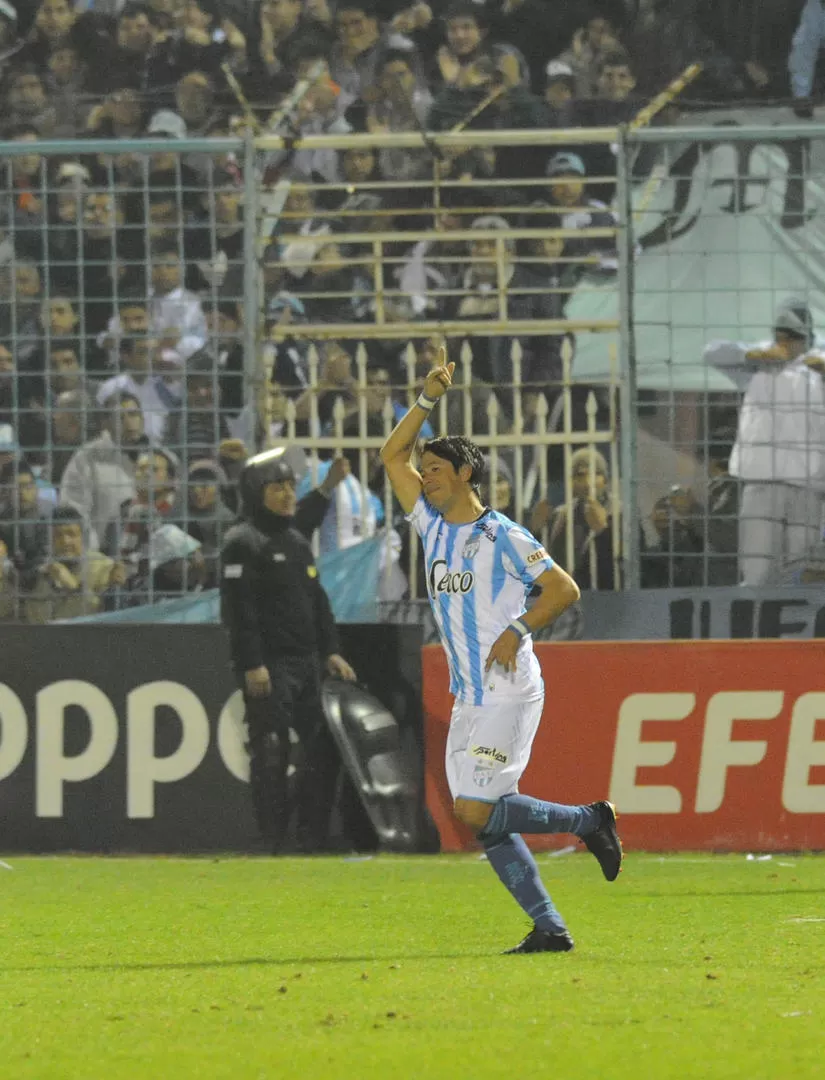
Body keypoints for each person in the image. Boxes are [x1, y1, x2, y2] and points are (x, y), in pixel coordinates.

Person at [379, 346, 623, 954]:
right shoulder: (431, 528)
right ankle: (550, 927)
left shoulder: (504, 535)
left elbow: (562, 589)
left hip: (510, 689)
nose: (425, 476)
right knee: (485, 820)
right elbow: (390, 454)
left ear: (464, 473)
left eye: (435, 469)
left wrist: (518, 628)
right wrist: (428, 398)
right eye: (426, 470)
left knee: (473, 810)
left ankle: (588, 821)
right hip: (469, 694)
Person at [220, 447, 358, 853]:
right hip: (270, 667)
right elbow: (238, 611)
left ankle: (310, 834)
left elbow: (317, 600)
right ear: (254, 492)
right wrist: (252, 664)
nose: (286, 494)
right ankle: (272, 840)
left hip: (307, 664)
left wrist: (330, 650)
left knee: (320, 749)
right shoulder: (241, 543)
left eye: (289, 486)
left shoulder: (296, 541)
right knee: (270, 751)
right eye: (276, 487)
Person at [704, 299, 825, 586]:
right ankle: (755, 626)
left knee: (800, 569)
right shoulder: (759, 362)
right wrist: (755, 354)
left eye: (793, 336)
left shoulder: (819, 363)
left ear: (805, 337)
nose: (786, 342)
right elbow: (712, 353)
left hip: (808, 485)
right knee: (757, 570)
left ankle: (799, 630)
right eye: (781, 334)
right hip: (761, 481)